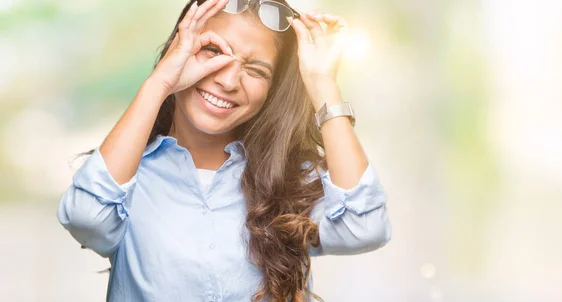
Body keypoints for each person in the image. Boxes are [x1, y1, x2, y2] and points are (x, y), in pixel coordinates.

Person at [57, 0, 392, 301]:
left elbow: (365, 228)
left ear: (270, 90)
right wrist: (159, 84)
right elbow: (86, 217)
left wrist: (321, 82)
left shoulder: (288, 180)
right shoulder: (126, 177)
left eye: (257, 70)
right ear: (180, 50)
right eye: (215, 52)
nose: (229, 81)